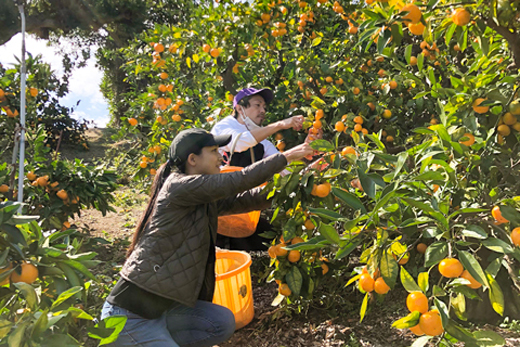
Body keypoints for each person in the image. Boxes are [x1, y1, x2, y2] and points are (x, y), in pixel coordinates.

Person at [100, 128, 314, 347]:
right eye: (213, 151)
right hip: (131, 317)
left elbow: (248, 199)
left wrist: (304, 178)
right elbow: (241, 179)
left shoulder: (201, 197)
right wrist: (286, 157)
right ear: (192, 159)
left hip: (164, 310)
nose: (221, 157)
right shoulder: (177, 187)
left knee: (220, 322)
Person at [211, 87, 314, 251]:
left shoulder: (263, 143)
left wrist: (310, 153)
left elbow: (285, 169)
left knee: (273, 239)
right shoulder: (224, 126)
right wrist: (280, 124)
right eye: (257, 105)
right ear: (239, 108)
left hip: (243, 208)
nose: (262, 111)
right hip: (218, 205)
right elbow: (240, 143)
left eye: (264, 107)